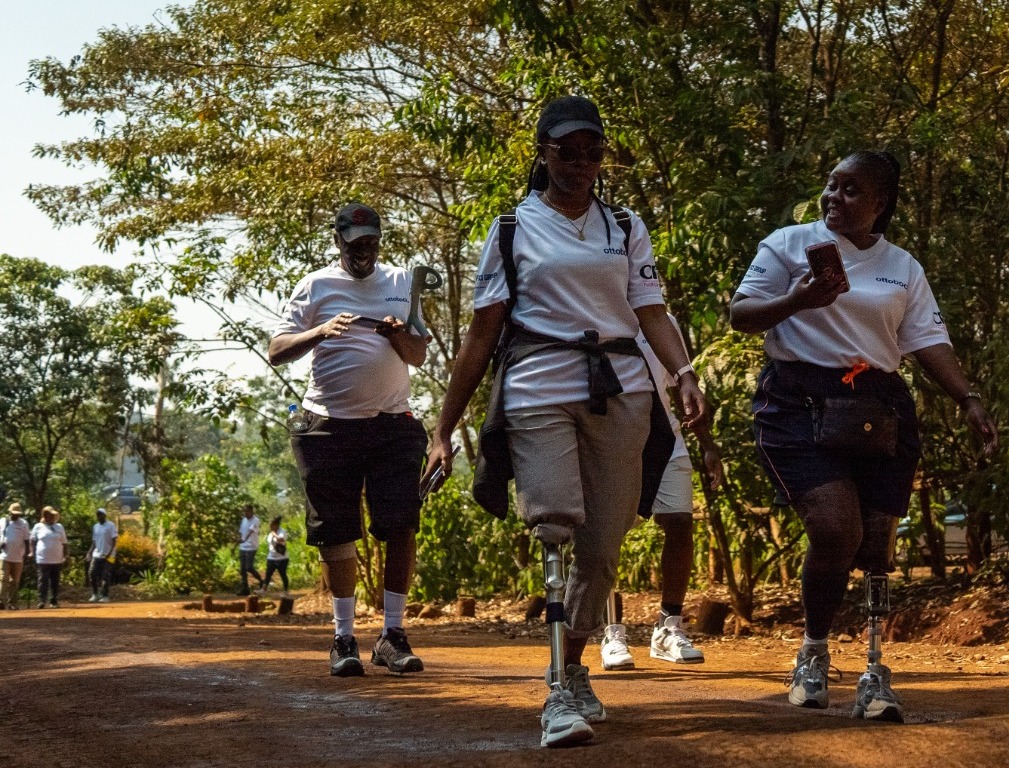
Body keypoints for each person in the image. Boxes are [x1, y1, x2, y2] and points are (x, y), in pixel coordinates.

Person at [425, 95, 706, 747]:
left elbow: (652, 311)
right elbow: (481, 335)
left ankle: (574, 666)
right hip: (537, 384)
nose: (581, 164)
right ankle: (557, 692)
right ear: (542, 154)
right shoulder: (511, 231)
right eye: (567, 151)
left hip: (622, 389)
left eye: (592, 152)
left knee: (603, 549)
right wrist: (443, 428)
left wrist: (684, 374)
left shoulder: (625, 226)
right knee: (553, 523)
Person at [730, 150, 998, 722]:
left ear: (880, 203)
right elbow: (742, 313)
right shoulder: (787, 244)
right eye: (831, 185)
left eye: (852, 190)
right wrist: (798, 298)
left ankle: (875, 673)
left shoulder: (902, 265)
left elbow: (926, 340)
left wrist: (967, 398)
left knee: (875, 545)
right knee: (834, 527)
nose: (834, 198)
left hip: (877, 407)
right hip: (797, 401)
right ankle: (814, 652)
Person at [269, 201, 431, 678]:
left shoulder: (402, 283)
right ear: (338, 241)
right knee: (336, 531)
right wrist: (321, 330)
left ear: (379, 242)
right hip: (328, 425)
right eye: (355, 243)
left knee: (400, 524)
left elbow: (419, 355)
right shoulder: (315, 285)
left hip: (392, 423)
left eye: (371, 243)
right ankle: (343, 639)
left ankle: (392, 635)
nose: (364, 251)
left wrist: (400, 335)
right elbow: (277, 351)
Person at [600, 315, 723, 670]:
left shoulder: (662, 320)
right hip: (608, 434)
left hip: (663, 433)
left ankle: (668, 627)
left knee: (680, 522)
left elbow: (681, 386)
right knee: (608, 532)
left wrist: (708, 445)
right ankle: (612, 633)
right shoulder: (590, 309)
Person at [29, 506, 67, 609]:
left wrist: (65, 556)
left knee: (55, 581)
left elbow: (64, 543)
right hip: (43, 559)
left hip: (57, 559)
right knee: (42, 580)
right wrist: (32, 552)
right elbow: (32, 541)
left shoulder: (59, 527)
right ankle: (41, 600)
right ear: (44, 515)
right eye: (48, 514)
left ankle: (53, 600)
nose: (50, 516)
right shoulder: (38, 526)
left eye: (52, 515)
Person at [1, 504, 30, 609]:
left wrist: (27, 553)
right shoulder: (3, 522)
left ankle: (12, 603)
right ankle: (1, 601)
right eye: (14, 514)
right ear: (10, 512)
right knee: (3, 579)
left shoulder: (24, 523)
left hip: (18, 557)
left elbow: (27, 539)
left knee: (15, 581)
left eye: (17, 514)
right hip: (4, 556)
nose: (16, 516)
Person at [87, 508, 118, 603]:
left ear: (105, 515)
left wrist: (109, 553)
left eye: (101, 514)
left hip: (109, 555)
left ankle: (105, 595)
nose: (99, 516)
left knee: (105, 575)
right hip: (97, 554)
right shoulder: (96, 526)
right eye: (98, 515)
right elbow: (94, 541)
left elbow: (114, 541)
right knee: (92, 573)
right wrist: (89, 552)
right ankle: (95, 594)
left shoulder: (111, 525)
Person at [237, 504, 265, 596]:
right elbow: (241, 533)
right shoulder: (244, 520)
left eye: (247, 511)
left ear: (252, 511)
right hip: (243, 547)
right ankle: (245, 588)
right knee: (242, 569)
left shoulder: (256, 520)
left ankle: (261, 581)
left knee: (248, 567)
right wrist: (237, 543)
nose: (245, 513)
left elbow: (250, 531)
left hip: (251, 546)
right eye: (244, 511)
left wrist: (244, 539)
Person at [263, 516, 290, 594]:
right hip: (271, 557)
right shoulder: (271, 533)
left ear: (276, 525)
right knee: (268, 574)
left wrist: (274, 533)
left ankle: (286, 590)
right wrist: (272, 533)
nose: (270, 527)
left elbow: (281, 539)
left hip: (282, 558)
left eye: (272, 525)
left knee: (283, 574)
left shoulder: (282, 531)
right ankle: (263, 589)